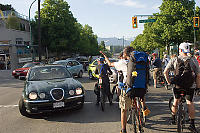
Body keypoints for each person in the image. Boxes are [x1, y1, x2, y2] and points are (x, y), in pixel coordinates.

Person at [100, 46, 150, 133]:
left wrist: (105, 56)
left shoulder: (122, 62)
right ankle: (143, 108)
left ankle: (123, 130)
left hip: (128, 89)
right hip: (141, 88)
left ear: (125, 54)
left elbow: (110, 64)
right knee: (140, 94)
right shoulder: (140, 61)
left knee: (124, 110)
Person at [164, 42, 200, 133]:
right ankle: (192, 125)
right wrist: (198, 87)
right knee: (190, 102)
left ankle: (173, 118)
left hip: (178, 85)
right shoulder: (193, 60)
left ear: (180, 50)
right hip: (190, 85)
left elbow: (165, 72)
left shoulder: (174, 59)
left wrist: (169, 81)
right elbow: (198, 75)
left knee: (176, 100)